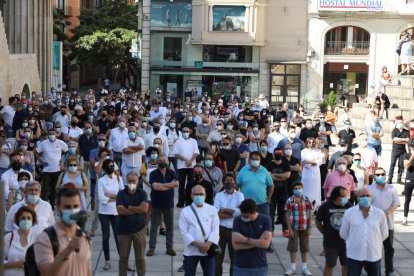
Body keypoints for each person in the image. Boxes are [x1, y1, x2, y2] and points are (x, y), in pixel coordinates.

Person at [33, 187, 92, 275]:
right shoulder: (46, 238)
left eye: (75, 206)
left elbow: (87, 270)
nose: (72, 210)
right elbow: (46, 273)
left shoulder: (84, 236)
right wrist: (67, 250)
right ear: (59, 207)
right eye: (67, 207)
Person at [340, 188, 389, 276]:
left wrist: (374, 242)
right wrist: (354, 241)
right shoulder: (349, 213)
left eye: (368, 196)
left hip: (373, 254)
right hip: (354, 254)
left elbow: (384, 233)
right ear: (357, 198)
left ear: (371, 197)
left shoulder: (379, 213)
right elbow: (343, 233)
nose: (365, 198)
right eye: (362, 196)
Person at [179, 185, 220, 276]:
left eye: (201, 194)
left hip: (208, 250)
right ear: (191, 195)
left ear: (205, 195)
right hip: (191, 250)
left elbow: (216, 229)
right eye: (196, 194)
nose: (199, 196)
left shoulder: (212, 209)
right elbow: (184, 232)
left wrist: (207, 245)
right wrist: (198, 245)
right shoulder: (185, 211)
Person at [368, 167, 400, 276]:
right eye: (377, 174)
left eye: (382, 174)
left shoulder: (392, 188)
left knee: (389, 248)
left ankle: (389, 270)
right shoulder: (369, 189)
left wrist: (387, 213)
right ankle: (368, 269)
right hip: (373, 224)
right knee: (371, 247)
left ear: (385, 175)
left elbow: (396, 203)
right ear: (374, 176)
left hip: (388, 224)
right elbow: (366, 205)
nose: (380, 176)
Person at [116, 171, 149, 276]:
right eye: (129, 181)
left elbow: (144, 209)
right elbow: (120, 210)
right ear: (126, 181)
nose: (131, 183)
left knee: (140, 257)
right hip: (123, 231)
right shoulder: (121, 193)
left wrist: (129, 207)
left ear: (138, 180)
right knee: (123, 257)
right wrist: (137, 209)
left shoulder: (142, 193)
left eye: (133, 181)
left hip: (139, 229)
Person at [315, 187, 351, 276]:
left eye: (345, 196)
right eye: (342, 196)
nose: (345, 198)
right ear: (335, 196)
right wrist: (324, 232)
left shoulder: (348, 205)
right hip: (331, 243)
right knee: (329, 265)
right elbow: (317, 221)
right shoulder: (325, 206)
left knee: (346, 265)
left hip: (346, 242)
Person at [147, 154, 179, 256]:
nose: (162, 162)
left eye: (164, 160)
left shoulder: (172, 172)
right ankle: (152, 248)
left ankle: (169, 248)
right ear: (157, 161)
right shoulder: (153, 173)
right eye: (160, 160)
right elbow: (155, 187)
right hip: (156, 204)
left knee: (169, 227)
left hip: (169, 204)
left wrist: (162, 186)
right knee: (154, 227)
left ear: (168, 161)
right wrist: (170, 185)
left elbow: (177, 184)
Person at [231, 199, 272, 276]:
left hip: (260, 266)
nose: (243, 218)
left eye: (246, 216)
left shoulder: (266, 220)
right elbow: (236, 246)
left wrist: (244, 240)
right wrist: (259, 242)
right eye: (242, 215)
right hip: (240, 266)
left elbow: (266, 244)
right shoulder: (237, 220)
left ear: (253, 213)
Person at [214, 173, 244, 276]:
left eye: (231, 180)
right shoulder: (219, 195)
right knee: (218, 257)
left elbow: (241, 212)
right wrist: (233, 213)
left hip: (234, 230)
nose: (229, 182)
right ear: (223, 182)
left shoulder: (239, 195)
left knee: (234, 257)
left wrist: (225, 210)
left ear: (235, 182)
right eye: (227, 180)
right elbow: (216, 213)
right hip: (220, 230)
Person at [98, 159, 123, 270]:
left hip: (115, 211)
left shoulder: (118, 178)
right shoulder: (101, 181)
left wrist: (110, 196)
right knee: (105, 237)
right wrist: (114, 197)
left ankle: (123, 260)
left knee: (118, 237)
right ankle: (107, 260)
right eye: (108, 166)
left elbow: (122, 195)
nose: (110, 168)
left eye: (112, 166)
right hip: (104, 212)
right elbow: (101, 197)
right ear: (104, 168)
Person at [284, 182, 313, 276]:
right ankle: (292, 268)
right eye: (295, 188)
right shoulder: (290, 200)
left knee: (304, 247)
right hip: (294, 227)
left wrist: (309, 227)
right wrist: (289, 228)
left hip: (304, 227)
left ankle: (304, 267)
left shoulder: (307, 199)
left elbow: (310, 213)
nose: (298, 190)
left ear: (303, 188)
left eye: (299, 188)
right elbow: (287, 214)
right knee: (293, 247)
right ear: (293, 190)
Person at [35, 129, 68, 208]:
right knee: (44, 189)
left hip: (57, 169)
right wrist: (41, 161)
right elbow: (35, 152)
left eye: (53, 134)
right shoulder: (43, 143)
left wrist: (62, 161)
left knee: (54, 188)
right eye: (49, 134)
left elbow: (67, 151)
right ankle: (43, 206)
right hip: (46, 170)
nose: (51, 135)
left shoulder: (60, 143)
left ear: (56, 134)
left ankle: (52, 205)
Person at [236, 151, 274, 216]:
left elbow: (271, 185)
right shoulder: (243, 170)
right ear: (249, 160)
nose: (255, 161)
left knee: (263, 223)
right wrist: (237, 199)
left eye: (257, 159)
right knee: (247, 224)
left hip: (262, 204)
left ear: (260, 160)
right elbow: (237, 185)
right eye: (253, 159)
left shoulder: (264, 170)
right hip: (246, 204)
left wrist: (268, 199)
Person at [4, 206, 38, 276]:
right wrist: (15, 264)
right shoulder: (8, 237)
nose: (26, 220)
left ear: (33, 220)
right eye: (23, 218)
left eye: (29, 218)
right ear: (18, 220)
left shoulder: (37, 239)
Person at [266, 147, 291, 237]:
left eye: (280, 153)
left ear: (282, 154)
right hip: (272, 193)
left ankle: (285, 230)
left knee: (284, 213)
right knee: (271, 213)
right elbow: (269, 177)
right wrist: (282, 176)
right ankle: (271, 230)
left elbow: (287, 175)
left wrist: (275, 175)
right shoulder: (269, 164)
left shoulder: (286, 164)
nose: (278, 155)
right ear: (273, 154)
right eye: (277, 153)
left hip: (283, 192)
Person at [172, 127, 199, 207]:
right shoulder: (178, 142)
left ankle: (189, 202)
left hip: (191, 166)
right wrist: (186, 160)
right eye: (184, 131)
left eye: (187, 131)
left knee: (190, 184)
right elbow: (176, 154)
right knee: (181, 185)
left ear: (190, 132)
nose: (185, 133)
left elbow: (196, 153)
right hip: (181, 166)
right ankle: (181, 202)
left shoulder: (194, 141)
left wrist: (190, 161)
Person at [301, 137, 323, 206]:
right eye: (309, 142)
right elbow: (304, 162)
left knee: (315, 189)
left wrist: (310, 161)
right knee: (306, 188)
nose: (311, 144)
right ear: (307, 143)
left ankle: (316, 205)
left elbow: (319, 161)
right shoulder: (303, 151)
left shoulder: (318, 151)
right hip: (306, 173)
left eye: (312, 142)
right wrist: (313, 161)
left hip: (315, 173)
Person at [388, 116, 409, 184]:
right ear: (397, 124)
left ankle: (399, 179)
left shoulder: (406, 131)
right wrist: (403, 140)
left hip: (403, 151)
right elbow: (394, 139)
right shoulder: (394, 130)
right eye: (399, 123)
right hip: (395, 150)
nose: (401, 124)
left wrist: (399, 140)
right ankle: (390, 179)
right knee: (392, 164)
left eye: (401, 123)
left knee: (401, 165)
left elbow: (407, 140)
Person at [403, 139, 414, 225]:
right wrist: (412, 156)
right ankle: (405, 218)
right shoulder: (406, 155)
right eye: (412, 146)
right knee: (407, 199)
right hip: (409, 180)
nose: (413, 147)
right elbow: (406, 166)